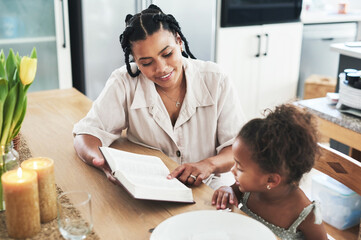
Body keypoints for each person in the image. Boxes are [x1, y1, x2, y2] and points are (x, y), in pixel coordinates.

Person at [72, 4, 245, 190]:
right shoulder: (124, 81)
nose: (161, 68)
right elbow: (87, 133)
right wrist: (100, 161)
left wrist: (208, 164)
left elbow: (237, 150)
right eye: (146, 63)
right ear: (135, 60)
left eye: (167, 54)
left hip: (211, 187)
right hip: (151, 188)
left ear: (179, 41)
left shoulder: (216, 80)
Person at [212, 104, 328, 240]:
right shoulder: (248, 188)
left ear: (271, 180)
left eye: (240, 168)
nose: (232, 170)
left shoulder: (306, 215)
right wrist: (228, 191)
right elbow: (233, 191)